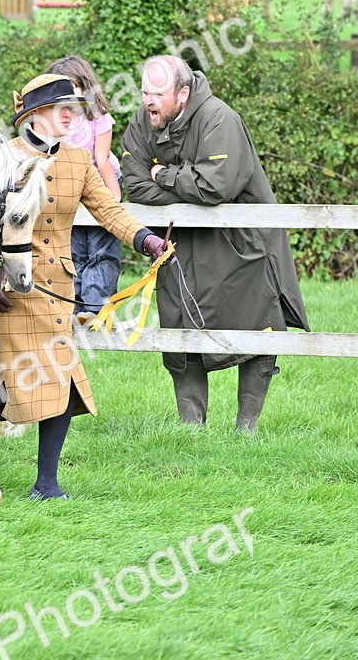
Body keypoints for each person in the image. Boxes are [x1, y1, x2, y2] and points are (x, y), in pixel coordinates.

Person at [0, 73, 169, 499]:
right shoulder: (0, 159)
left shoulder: (78, 161)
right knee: (53, 374)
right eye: (61, 107)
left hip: (61, 286)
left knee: (40, 376)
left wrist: (147, 239)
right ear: (34, 114)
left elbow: (109, 211)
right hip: (15, 287)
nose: (70, 115)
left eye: (74, 109)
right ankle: (46, 484)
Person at [120, 55, 309, 432]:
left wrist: (163, 174)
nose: (147, 101)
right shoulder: (144, 121)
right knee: (179, 327)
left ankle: (247, 430)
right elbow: (133, 184)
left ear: (183, 92)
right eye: (144, 92)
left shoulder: (220, 118)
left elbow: (216, 186)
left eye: (157, 93)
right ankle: (192, 431)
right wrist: (181, 187)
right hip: (181, 245)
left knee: (257, 328)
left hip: (241, 245)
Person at [46, 55, 123, 327]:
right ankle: (74, 304)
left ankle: (96, 305)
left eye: (71, 87)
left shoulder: (97, 118)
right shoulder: (56, 120)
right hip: (70, 185)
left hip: (101, 181)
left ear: (85, 86)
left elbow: (102, 160)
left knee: (100, 248)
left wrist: (113, 198)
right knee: (72, 247)